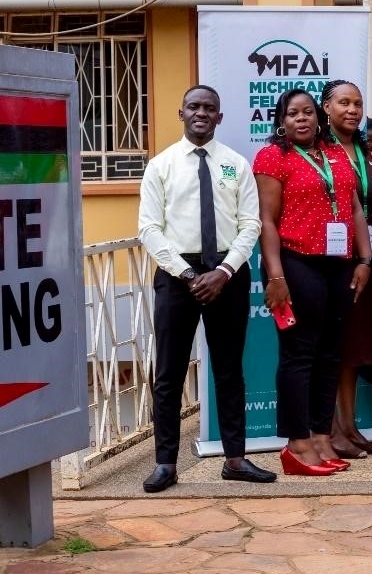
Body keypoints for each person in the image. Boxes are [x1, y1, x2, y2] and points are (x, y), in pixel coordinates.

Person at [137, 85, 272, 492]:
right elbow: (148, 228)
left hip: (227, 274)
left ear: (220, 117)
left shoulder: (235, 165)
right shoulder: (160, 166)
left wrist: (225, 270)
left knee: (229, 369)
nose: (201, 113)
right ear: (181, 113)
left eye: (209, 108)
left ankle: (235, 458)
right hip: (178, 276)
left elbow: (251, 223)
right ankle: (165, 464)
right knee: (169, 372)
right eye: (194, 107)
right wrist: (188, 274)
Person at [256, 88, 372, 476]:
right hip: (295, 263)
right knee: (299, 355)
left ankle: (322, 437)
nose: (302, 119)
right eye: (293, 114)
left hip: (339, 264)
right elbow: (267, 221)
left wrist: (364, 258)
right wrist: (275, 275)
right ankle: (296, 444)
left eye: (308, 112)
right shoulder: (274, 157)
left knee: (330, 353)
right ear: (282, 120)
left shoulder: (335, 152)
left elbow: (355, 207)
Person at [323, 81, 372, 460]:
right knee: (331, 346)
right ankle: (328, 430)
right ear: (326, 107)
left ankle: (348, 425)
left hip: (364, 256)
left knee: (354, 346)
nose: (352, 110)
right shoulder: (318, 149)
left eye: (358, 104)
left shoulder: (363, 148)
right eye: (344, 103)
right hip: (328, 259)